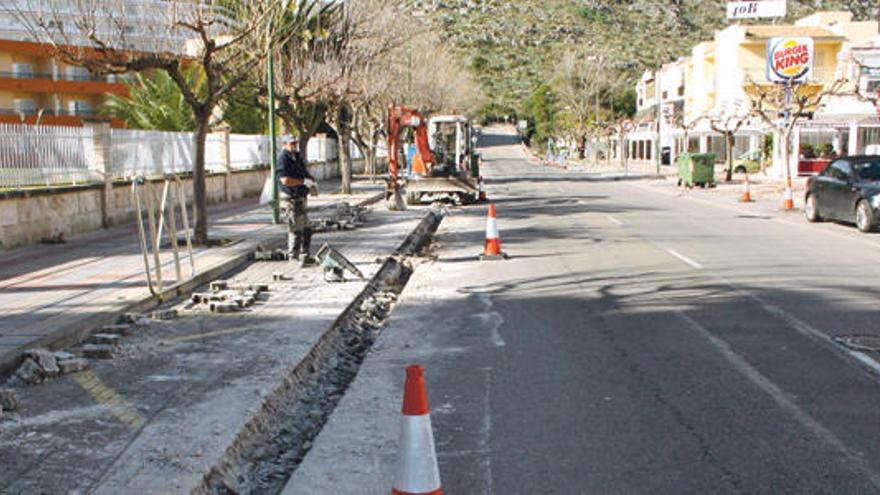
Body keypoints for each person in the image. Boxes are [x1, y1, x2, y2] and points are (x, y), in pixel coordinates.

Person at [276, 136, 317, 266]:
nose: (294, 146)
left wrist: (311, 182)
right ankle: (293, 256)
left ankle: (305, 255)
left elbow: (303, 172)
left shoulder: (297, 157)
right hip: (290, 199)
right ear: (285, 144)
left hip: (300, 197)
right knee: (295, 228)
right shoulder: (283, 159)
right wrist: (302, 182)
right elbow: (285, 180)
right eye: (292, 144)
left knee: (307, 228)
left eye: (295, 143)